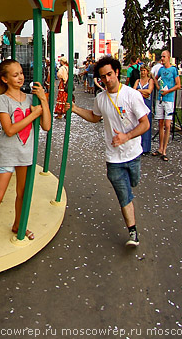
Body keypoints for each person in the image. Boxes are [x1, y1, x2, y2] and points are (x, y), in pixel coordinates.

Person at [0, 60, 51, 260]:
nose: (20, 77)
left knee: (22, 194)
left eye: (21, 73)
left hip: (26, 155)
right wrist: (34, 114)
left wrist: (43, 102)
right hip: (9, 155)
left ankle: (18, 225)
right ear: (5, 79)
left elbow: (46, 126)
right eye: (15, 75)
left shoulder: (32, 99)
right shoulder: (3, 100)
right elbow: (10, 130)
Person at [66, 55, 150, 247]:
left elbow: (145, 124)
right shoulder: (100, 98)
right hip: (113, 158)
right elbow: (95, 117)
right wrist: (75, 109)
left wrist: (126, 137)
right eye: (103, 77)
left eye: (110, 74)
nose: (107, 80)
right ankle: (133, 232)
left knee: (133, 182)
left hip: (133, 153)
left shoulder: (132, 95)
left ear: (117, 72)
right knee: (124, 194)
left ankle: (129, 191)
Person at [153, 50, 180, 162]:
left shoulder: (173, 70)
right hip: (160, 98)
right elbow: (155, 77)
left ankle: (164, 149)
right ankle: (160, 148)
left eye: (164, 57)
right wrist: (158, 87)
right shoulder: (161, 69)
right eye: (161, 57)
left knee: (167, 125)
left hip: (169, 99)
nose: (162, 58)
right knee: (160, 123)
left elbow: (178, 85)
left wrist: (168, 91)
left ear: (168, 57)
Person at [133, 64, 156, 154]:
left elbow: (149, 91)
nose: (142, 72)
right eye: (141, 71)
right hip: (138, 104)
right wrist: (143, 93)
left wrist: (139, 91)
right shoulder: (137, 81)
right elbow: (134, 90)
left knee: (146, 124)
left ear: (147, 72)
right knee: (137, 124)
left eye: (144, 71)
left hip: (147, 105)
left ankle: (146, 147)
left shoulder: (150, 81)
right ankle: (137, 145)